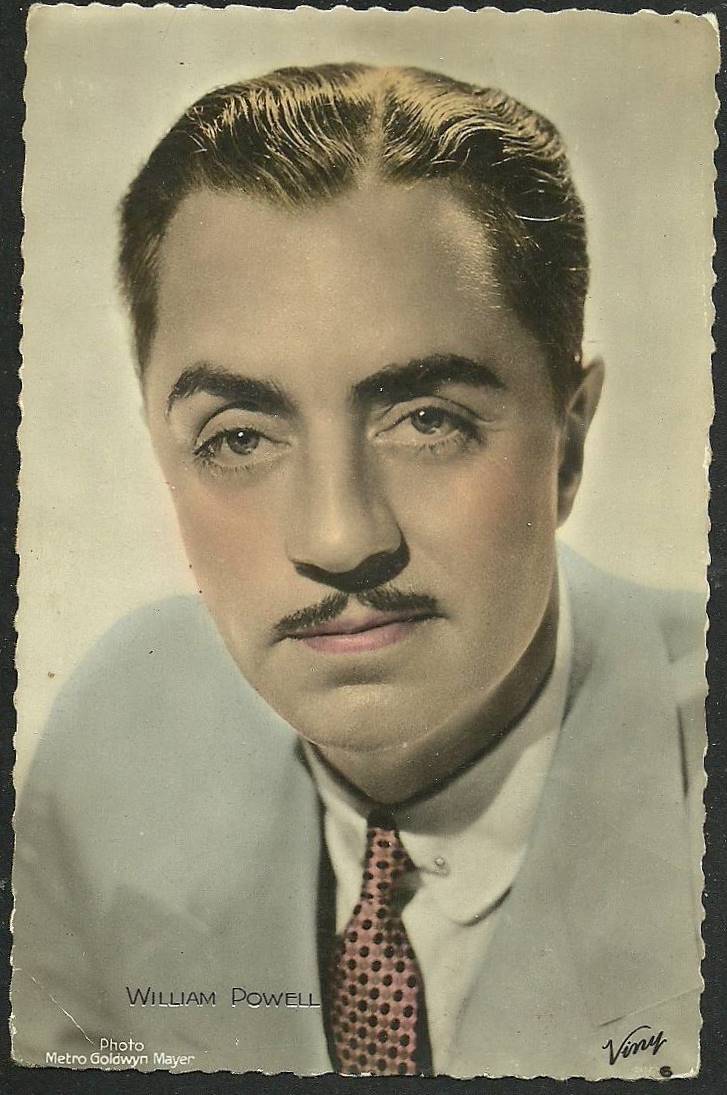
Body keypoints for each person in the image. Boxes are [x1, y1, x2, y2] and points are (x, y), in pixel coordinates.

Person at [12, 63, 704, 1079]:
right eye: (239, 437)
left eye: (428, 420)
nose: (339, 539)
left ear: (567, 444)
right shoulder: (110, 747)